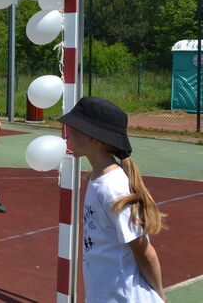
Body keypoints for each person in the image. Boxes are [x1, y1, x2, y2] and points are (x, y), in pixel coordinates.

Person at [59, 97, 166, 302]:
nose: (69, 135)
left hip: (125, 296)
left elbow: (145, 252)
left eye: (75, 129)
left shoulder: (112, 187)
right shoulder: (95, 178)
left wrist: (159, 294)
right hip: (105, 294)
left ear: (93, 138)